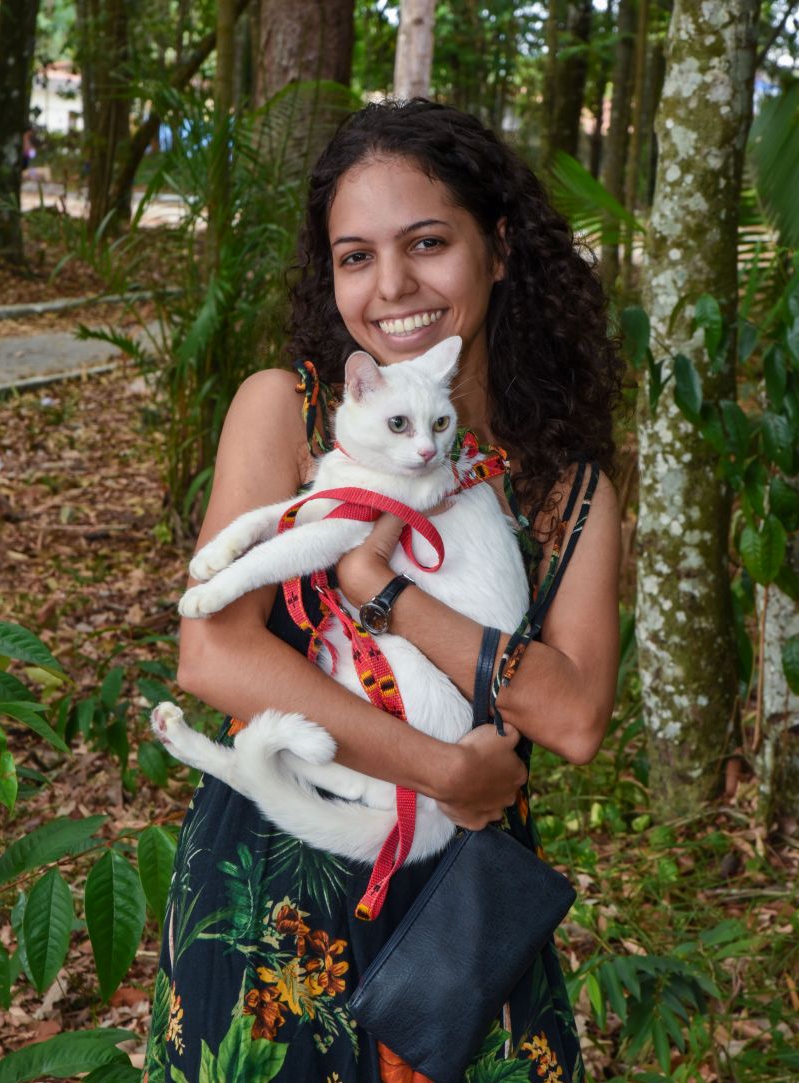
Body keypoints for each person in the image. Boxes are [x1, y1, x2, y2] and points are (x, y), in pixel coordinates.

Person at [143, 99, 622, 1083]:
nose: (392, 285)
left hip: (459, 907)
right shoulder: (289, 410)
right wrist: (437, 769)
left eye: (426, 243)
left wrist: (384, 592)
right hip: (272, 881)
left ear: (498, 249)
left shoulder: (565, 486)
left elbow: (571, 718)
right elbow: (215, 653)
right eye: (354, 255)